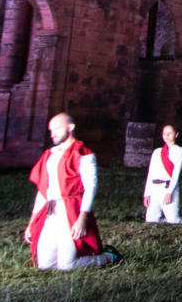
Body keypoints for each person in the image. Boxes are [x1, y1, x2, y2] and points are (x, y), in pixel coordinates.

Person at [24, 113, 116, 270]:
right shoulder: (49, 155)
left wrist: (82, 217)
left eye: (57, 129)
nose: (52, 133)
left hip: (71, 211)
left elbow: (90, 187)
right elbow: (42, 191)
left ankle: (108, 257)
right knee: (44, 265)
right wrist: (31, 223)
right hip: (51, 212)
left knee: (67, 266)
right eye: (50, 130)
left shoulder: (83, 153)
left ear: (70, 127)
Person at [142, 124, 182, 223]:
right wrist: (147, 193)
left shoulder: (179, 151)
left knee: (173, 221)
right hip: (155, 189)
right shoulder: (157, 152)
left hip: (168, 187)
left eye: (170, 133)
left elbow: (176, 174)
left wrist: (169, 192)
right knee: (150, 221)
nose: (167, 136)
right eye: (164, 133)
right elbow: (151, 173)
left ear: (176, 135)